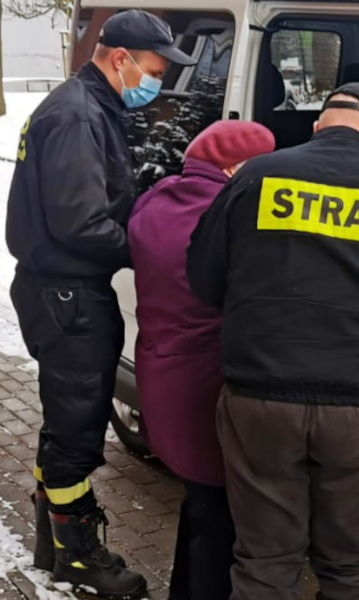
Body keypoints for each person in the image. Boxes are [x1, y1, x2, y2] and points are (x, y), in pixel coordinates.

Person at [187, 82, 359, 600]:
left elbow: (205, 280)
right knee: (351, 570)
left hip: (260, 400)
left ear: (318, 127)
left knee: (264, 564)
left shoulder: (256, 177)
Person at [5, 9, 194, 599]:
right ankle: (79, 557)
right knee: (77, 431)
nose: (156, 83)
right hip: (66, 296)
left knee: (66, 422)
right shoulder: (78, 116)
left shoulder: (87, 105)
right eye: (154, 72)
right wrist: (153, 247)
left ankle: (52, 541)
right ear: (121, 59)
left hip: (63, 291)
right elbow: (82, 223)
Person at [127, 120, 276, 600]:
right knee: (218, 518)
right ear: (234, 167)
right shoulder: (227, 215)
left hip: (161, 373)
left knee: (200, 505)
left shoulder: (155, 200)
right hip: (205, 385)